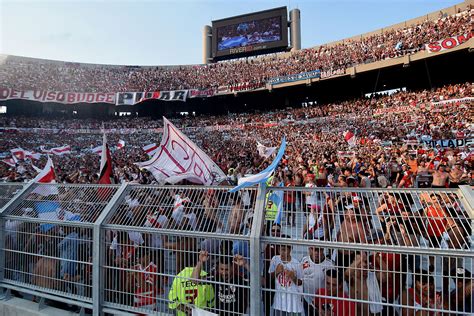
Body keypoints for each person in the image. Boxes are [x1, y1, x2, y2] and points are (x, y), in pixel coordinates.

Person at [191, 250, 249, 315]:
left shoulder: (240, 279)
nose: (224, 273)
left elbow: (260, 282)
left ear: (232, 268)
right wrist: (200, 261)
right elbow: (194, 280)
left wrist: (246, 264)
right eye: (221, 269)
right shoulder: (215, 278)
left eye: (227, 270)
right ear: (218, 268)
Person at [268, 238, 304, 316]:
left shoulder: (296, 263)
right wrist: (276, 272)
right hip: (279, 303)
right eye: (281, 250)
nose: (282, 253)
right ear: (278, 250)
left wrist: (293, 277)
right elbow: (269, 278)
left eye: (285, 250)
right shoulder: (275, 259)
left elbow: (301, 282)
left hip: (294, 304)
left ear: (290, 250)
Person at [301, 242, 334, 315]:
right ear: (310, 249)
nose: (316, 252)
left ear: (323, 250)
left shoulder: (329, 265)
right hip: (307, 300)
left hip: (322, 303)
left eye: (319, 250)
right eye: (314, 249)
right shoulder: (304, 260)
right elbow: (300, 278)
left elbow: (333, 285)